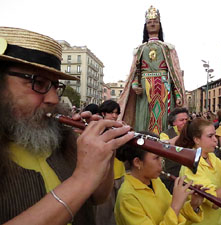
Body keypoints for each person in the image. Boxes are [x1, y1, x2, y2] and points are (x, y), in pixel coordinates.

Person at [0, 27, 134, 225]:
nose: (54, 98)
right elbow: (83, 184)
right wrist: (81, 178)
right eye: (38, 82)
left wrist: (104, 151)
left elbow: (98, 197)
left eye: (56, 86)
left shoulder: (60, 139)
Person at [118, 6, 186, 135]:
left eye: (155, 21)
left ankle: (163, 145)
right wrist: (134, 86)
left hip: (164, 85)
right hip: (144, 88)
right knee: (144, 117)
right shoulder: (140, 49)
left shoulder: (167, 48)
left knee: (164, 118)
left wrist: (177, 94)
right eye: (149, 22)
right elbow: (135, 72)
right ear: (145, 26)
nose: (152, 23)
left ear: (160, 25)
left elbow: (174, 74)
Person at [114, 132, 204, 225]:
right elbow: (173, 211)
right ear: (137, 162)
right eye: (156, 158)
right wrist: (175, 205)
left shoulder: (155, 181)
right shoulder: (127, 197)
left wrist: (193, 206)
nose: (161, 162)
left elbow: (174, 215)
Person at [94, 100, 124, 225]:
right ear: (103, 113)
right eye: (111, 113)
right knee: (104, 214)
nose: (114, 116)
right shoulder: (96, 130)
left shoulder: (119, 128)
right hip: (104, 177)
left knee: (119, 211)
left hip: (120, 175)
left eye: (116, 113)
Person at [159, 107, 189, 193]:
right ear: (174, 122)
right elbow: (165, 145)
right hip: (170, 178)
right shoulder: (165, 134)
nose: (185, 122)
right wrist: (183, 134)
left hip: (185, 177)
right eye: (181, 120)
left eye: (186, 119)